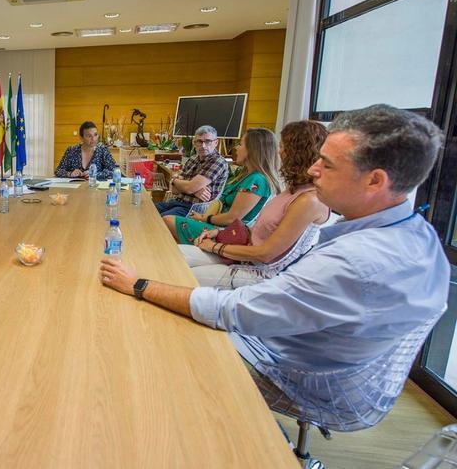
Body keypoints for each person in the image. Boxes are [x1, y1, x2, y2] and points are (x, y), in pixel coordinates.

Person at [100, 104, 448, 413]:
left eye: (326, 164)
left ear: (375, 181)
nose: (313, 170)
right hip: (340, 374)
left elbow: (234, 310)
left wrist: (139, 285)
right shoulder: (417, 236)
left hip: (296, 376)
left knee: (155, 331)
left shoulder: (357, 262)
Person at [181, 120, 330, 288]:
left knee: (179, 276)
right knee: (173, 257)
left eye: (282, 147)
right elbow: (263, 231)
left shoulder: (309, 200)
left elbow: (266, 254)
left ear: (297, 153)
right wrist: (218, 233)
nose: (278, 152)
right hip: (243, 255)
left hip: (259, 272)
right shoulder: (293, 190)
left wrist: (215, 247)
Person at [163, 128, 280, 244]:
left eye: (240, 144)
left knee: (166, 221)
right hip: (214, 221)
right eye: (199, 141)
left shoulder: (257, 180)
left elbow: (232, 218)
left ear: (253, 149)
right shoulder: (245, 175)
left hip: (225, 231)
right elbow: (181, 189)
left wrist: (204, 218)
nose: (236, 148)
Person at [155, 125, 230, 217]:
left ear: (216, 143)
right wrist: (193, 190)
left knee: (160, 220)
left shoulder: (218, 162)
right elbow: (174, 190)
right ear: (194, 143)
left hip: (194, 209)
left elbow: (188, 188)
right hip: (176, 202)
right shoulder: (192, 159)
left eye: (208, 141)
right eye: (199, 141)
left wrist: (176, 181)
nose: (203, 146)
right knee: (147, 210)